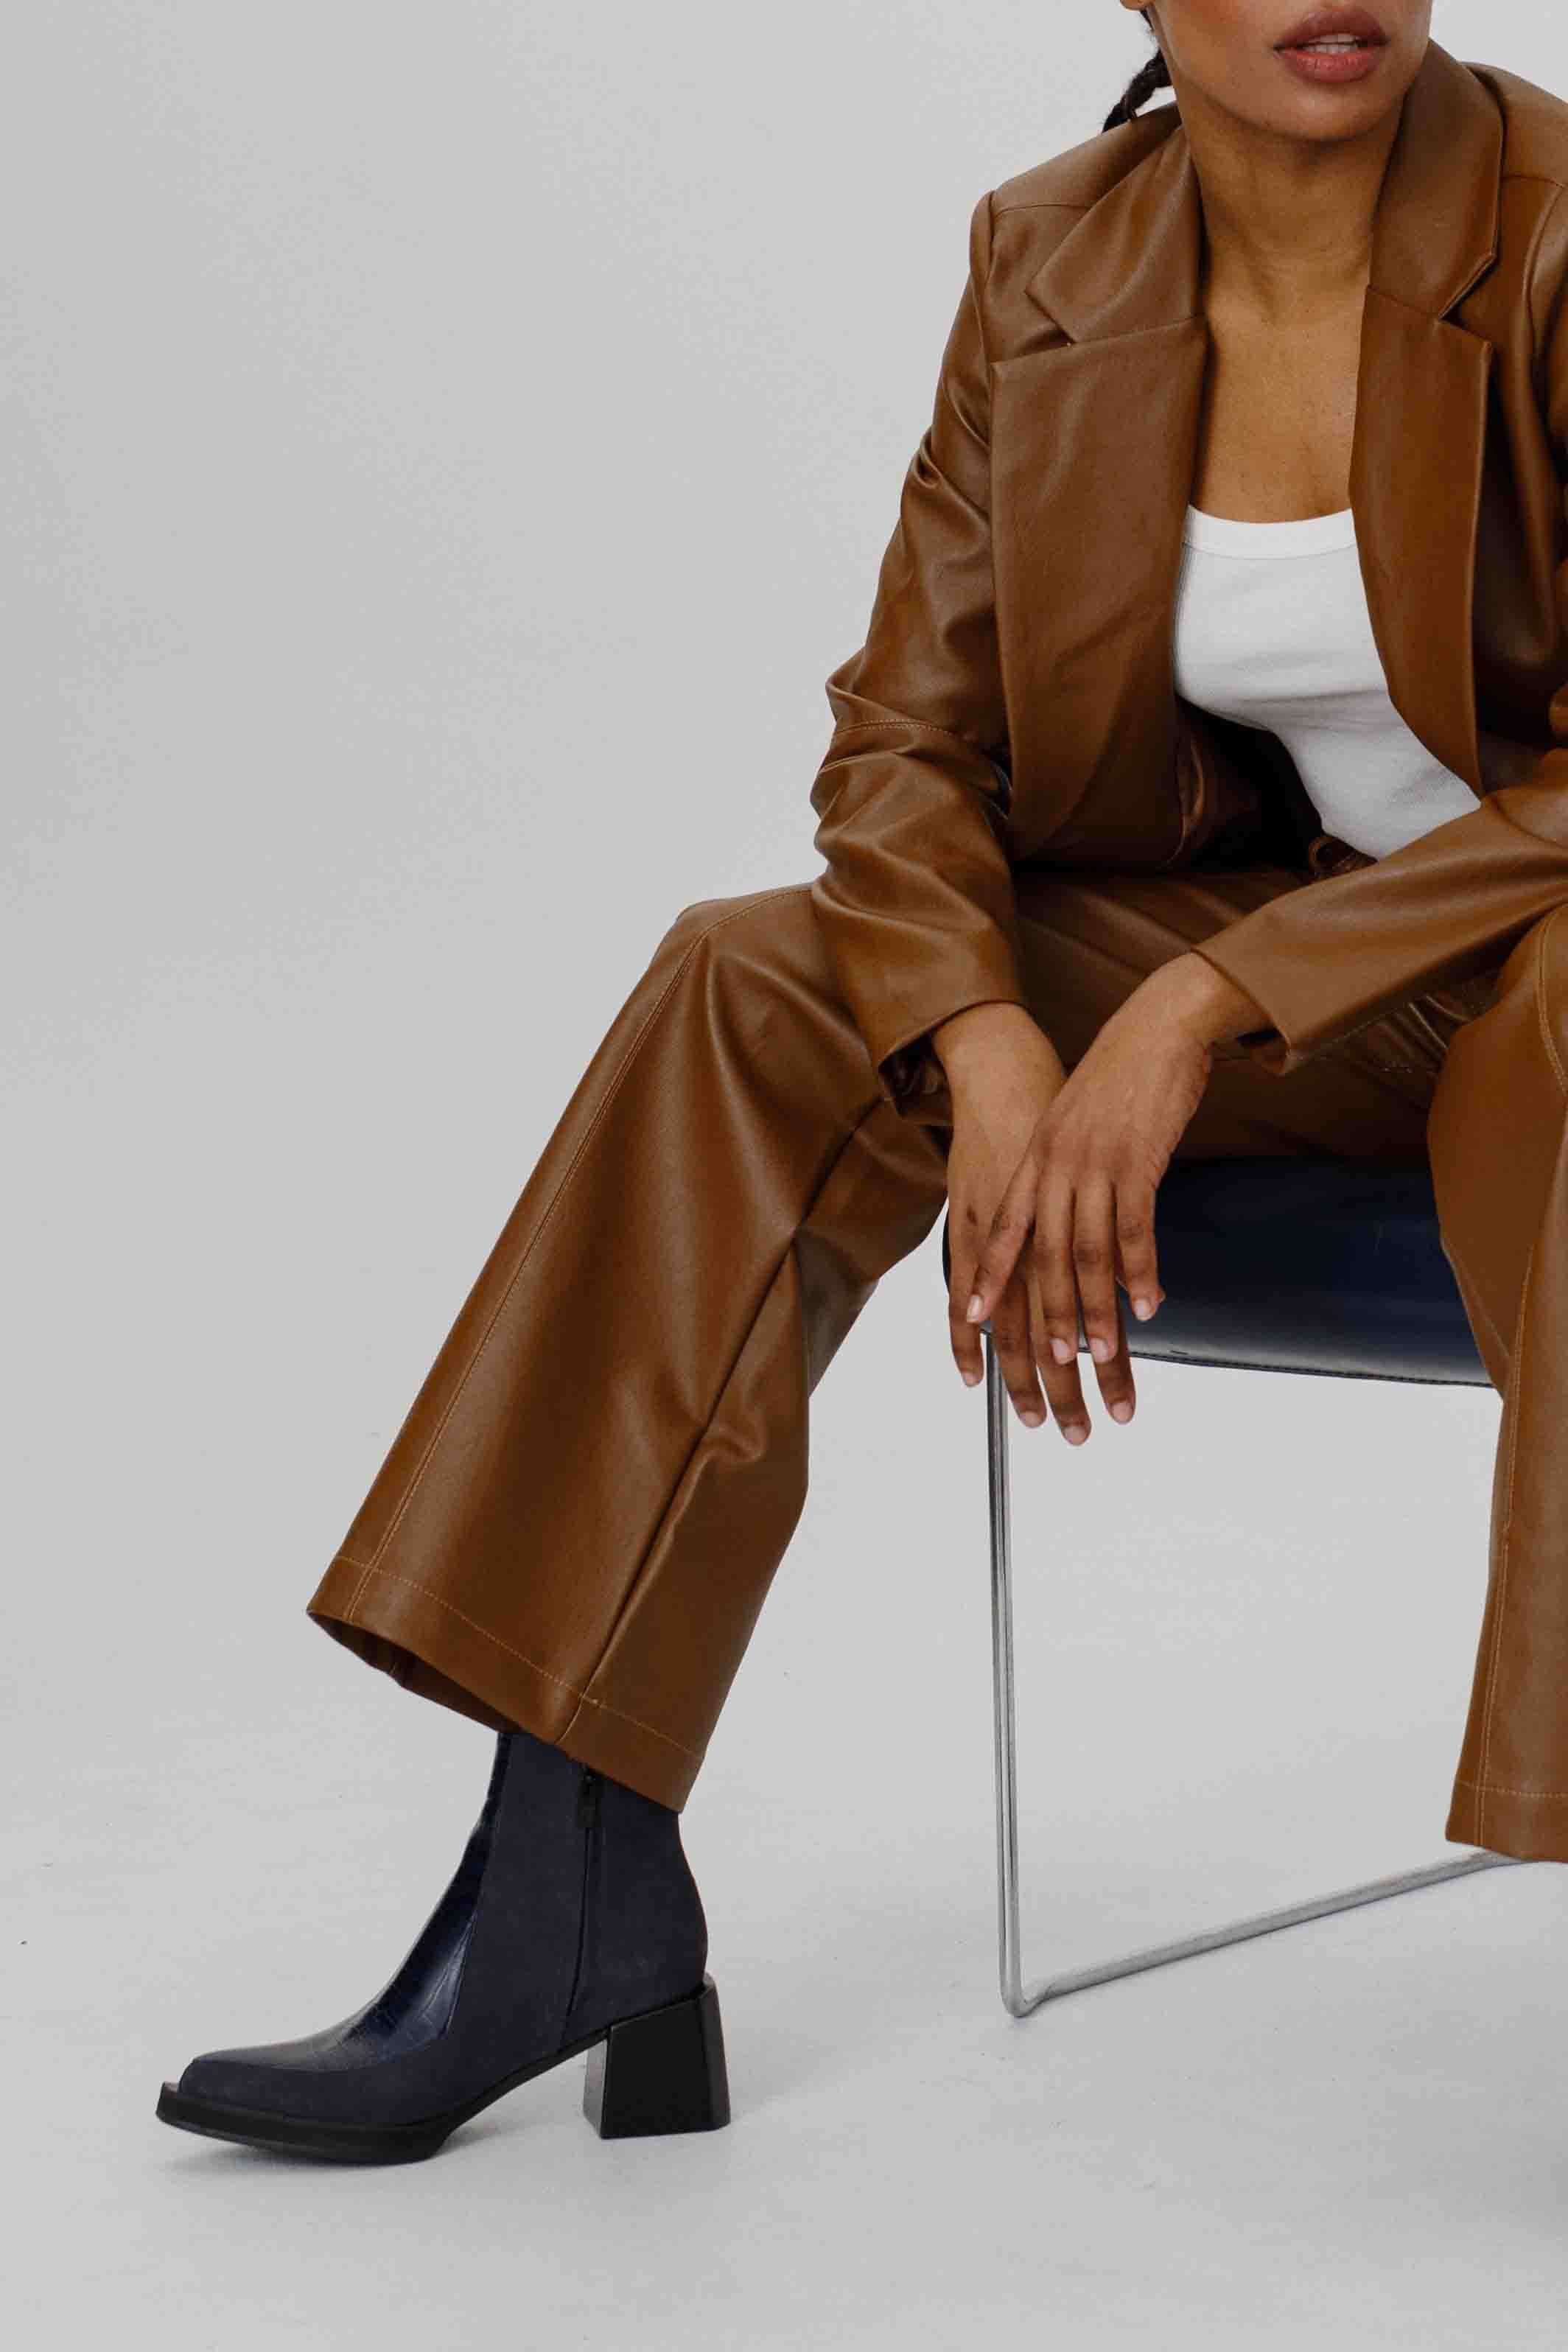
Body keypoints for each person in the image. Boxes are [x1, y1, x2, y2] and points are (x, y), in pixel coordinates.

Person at [158, 3, 1568, 2163]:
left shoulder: (1551, 233)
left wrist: (1197, 1008)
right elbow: (910, 736)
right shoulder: (1050, 259)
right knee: (760, 985)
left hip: (1518, 985)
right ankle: (566, 1885)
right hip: (1329, 991)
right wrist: (986, 1042)